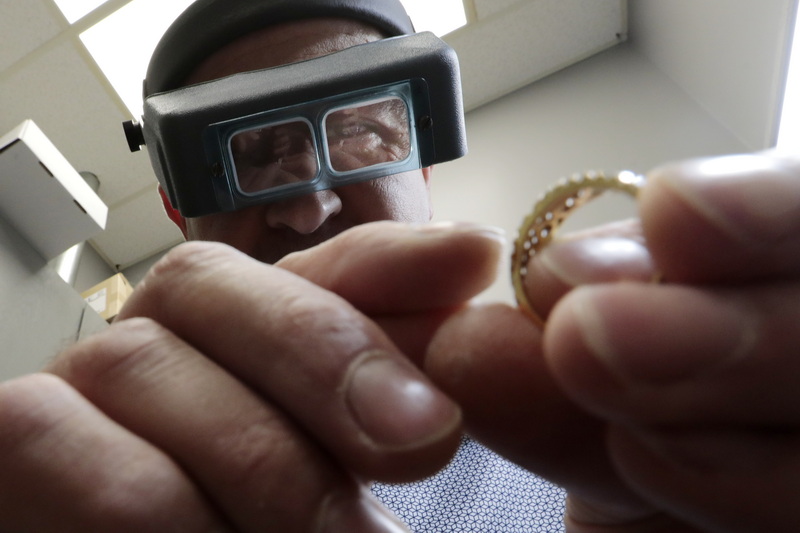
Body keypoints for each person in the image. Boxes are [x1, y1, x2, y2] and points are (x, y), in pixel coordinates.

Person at [0, 0, 798, 532]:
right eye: (251, 153)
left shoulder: (619, 442)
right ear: (181, 213)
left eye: (360, 132)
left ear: (422, 167)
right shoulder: (105, 480)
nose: (309, 207)